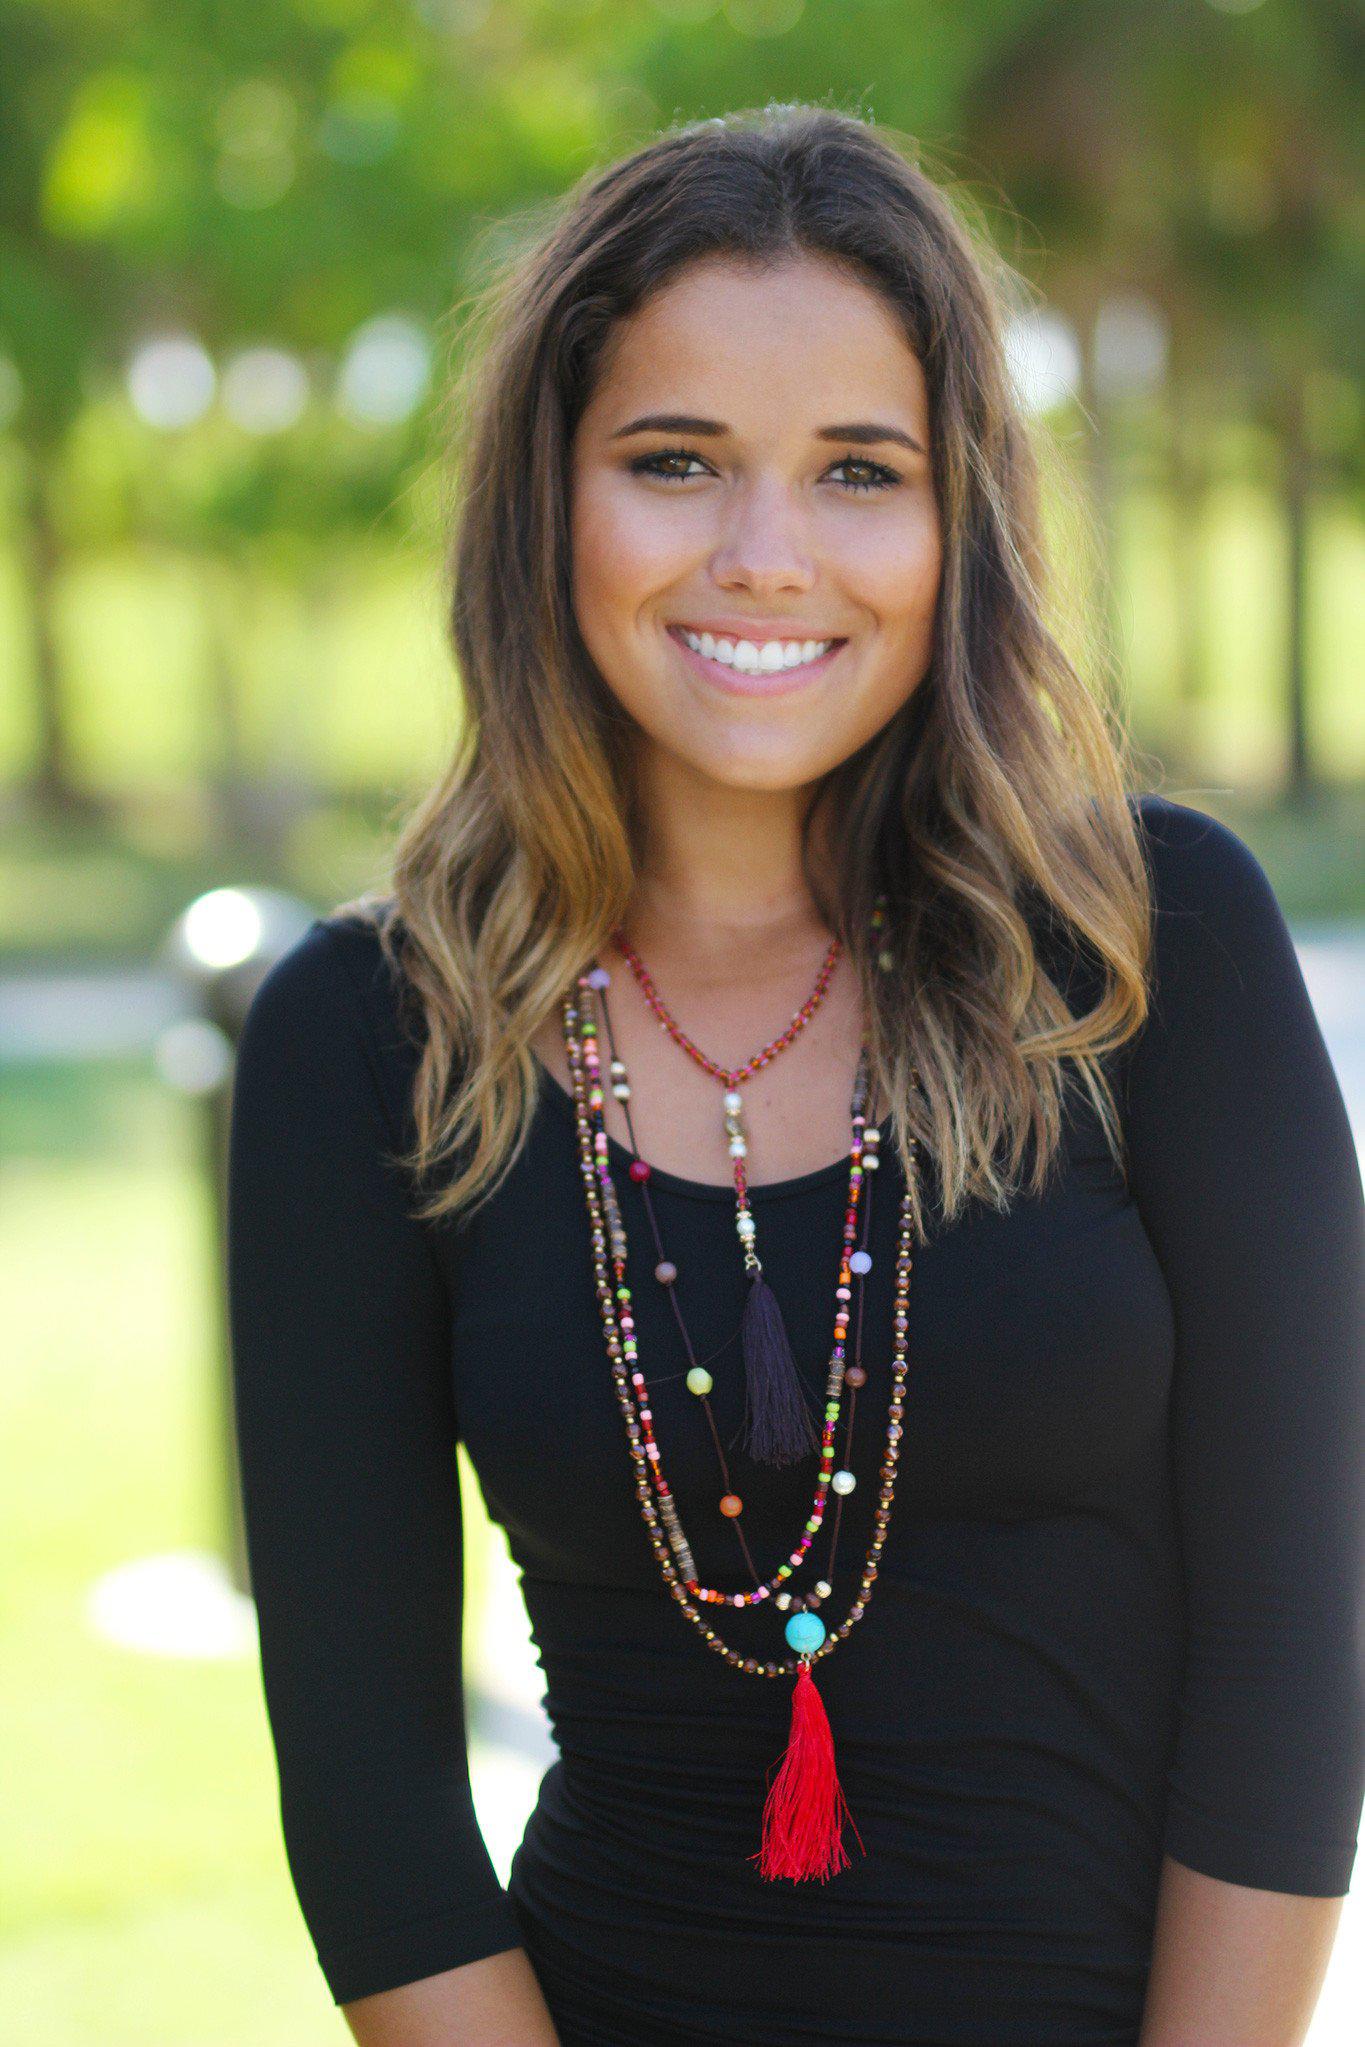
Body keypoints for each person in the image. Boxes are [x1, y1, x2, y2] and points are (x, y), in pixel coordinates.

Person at [226, 105, 1365, 2047]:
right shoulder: (368, 1033)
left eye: (858, 472)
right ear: (547, 502)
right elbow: (368, 1797)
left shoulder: (1146, 939)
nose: (765, 558)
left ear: (955, 526)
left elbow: (1296, 1654)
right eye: (673, 464)